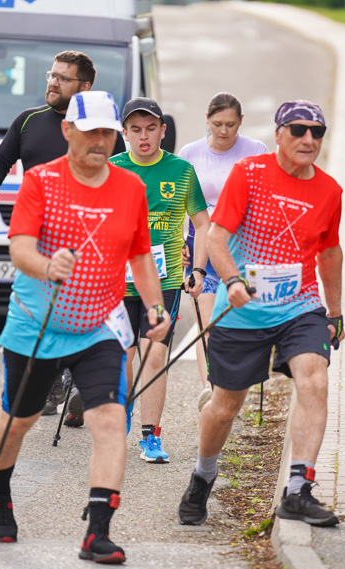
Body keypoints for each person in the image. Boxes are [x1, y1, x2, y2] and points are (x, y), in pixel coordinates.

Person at [0, 91, 171, 563]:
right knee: (18, 421)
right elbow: (18, 248)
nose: (100, 141)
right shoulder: (41, 182)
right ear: (67, 131)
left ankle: (97, 530)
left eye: (107, 133)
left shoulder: (129, 188)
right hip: (38, 322)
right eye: (91, 132)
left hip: (99, 324)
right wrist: (45, 266)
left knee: (109, 420)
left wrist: (156, 307)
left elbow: (140, 254)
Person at [177, 100, 345, 528]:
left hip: (300, 305)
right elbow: (217, 237)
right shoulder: (250, 174)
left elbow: (329, 253)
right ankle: (202, 476)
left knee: (315, 377)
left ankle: (297, 490)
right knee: (225, 405)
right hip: (245, 309)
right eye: (299, 130)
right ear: (279, 135)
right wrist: (232, 280)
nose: (309, 139)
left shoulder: (329, 191)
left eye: (317, 132)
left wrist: (336, 312)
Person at [0, 50, 125, 417]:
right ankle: (52, 384)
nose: (52, 83)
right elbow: (0, 161)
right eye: (51, 76)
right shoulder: (29, 121)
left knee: (82, 310)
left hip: (91, 236)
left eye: (62, 78)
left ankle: (75, 382)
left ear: (84, 87)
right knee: (41, 309)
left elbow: (121, 176)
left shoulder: (102, 133)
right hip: (38, 238)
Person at [109, 97, 210, 463]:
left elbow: (202, 222)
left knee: (156, 353)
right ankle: (122, 412)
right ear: (124, 134)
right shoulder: (112, 169)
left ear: (163, 131)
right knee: (124, 353)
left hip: (164, 280)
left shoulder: (181, 170)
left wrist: (197, 269)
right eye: (135, 130)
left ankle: (150, 436)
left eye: (151, 128)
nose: (144, 136)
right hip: (119, 279)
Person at [178, 92, 269, 412]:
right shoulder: (190, 153)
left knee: (235, 324)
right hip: (200, 248)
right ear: (207, 120)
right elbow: (179, 206)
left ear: (241, 122)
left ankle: (231, 385)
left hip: (242, 251)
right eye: (217, 124)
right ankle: (210, 389)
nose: (224, 131)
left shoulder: (256, 151)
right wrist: (180, 246)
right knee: (207, 323)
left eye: (231, 124)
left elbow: (264, 203)